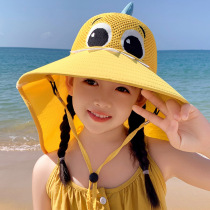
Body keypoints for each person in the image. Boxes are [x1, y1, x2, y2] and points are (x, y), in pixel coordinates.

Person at [16, 3, 210, 210]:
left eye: (121, 89)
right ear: (70, 83)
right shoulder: (46, 170)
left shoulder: (161, 156)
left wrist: (205, 142)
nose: (102, 100)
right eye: (91, 82)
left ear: (139, 99)